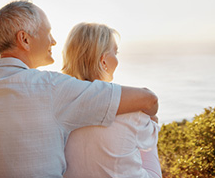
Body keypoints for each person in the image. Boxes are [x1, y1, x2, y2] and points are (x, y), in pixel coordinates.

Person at [0, 0, 158, 178]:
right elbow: (147, 99)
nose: (53, 41)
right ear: (24, 39)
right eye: (48, 33)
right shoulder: (50, 87)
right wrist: (151, 118)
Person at [62, 22, 162, 178]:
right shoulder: (131, 111)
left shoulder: (57, 105)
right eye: (115, 53)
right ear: (103, 61)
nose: (117, 59)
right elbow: (149, 139)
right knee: (149, 138)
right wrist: (152, 121)